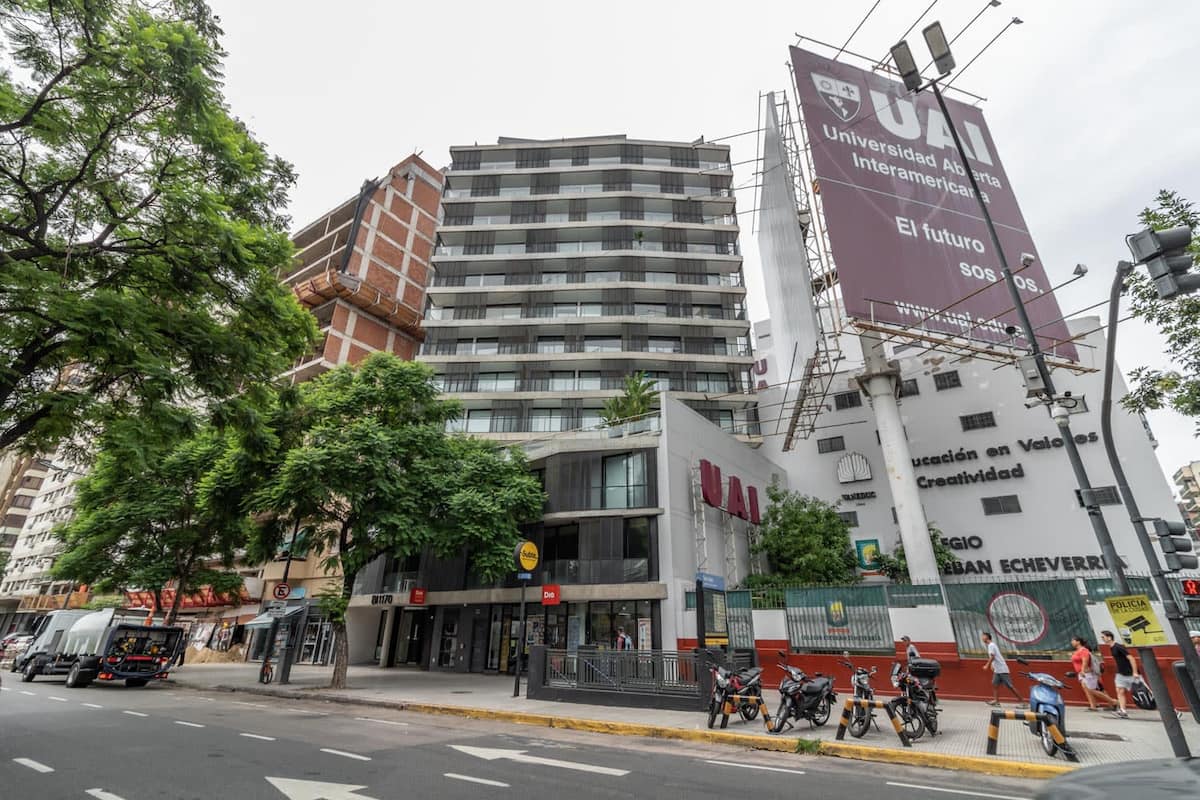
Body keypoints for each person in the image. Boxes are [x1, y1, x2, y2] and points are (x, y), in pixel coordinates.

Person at [1071, 635, 1117, 712]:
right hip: (1082, 673)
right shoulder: (1078, 651)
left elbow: (1085, 661)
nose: (1071, 642)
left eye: (1073, 641)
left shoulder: (1083, 650)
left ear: (1078, 642)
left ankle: (1113, 702)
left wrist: (1083, 670)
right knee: (1087, 690)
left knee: (1091, 690)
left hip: (1087, 673)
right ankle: (1093, 706)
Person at [1100, 630, 1139, 718]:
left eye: (1103, 637)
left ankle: (1167, 708)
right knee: (1119, 691)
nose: (1102, 639)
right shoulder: (1111, 647)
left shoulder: (1118, 647)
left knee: (1142, 691)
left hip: (1130, 673)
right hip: (1121, 673)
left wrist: (1135, 672)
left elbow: (1131, 658)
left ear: (1109, 637)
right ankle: (1123, 711)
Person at [981, 632, 1024, 707]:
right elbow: (994, 657)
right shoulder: (991, 645)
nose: (982, 638)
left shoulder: (991, 645)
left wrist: (987, 665)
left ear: (987, 637)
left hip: (1002, 669)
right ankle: (996, 701)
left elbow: (992, 656)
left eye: (983, 636)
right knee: (994, 684)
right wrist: (992, 665)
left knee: (1010, 686)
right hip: (997, 670)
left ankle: (1023, 703)